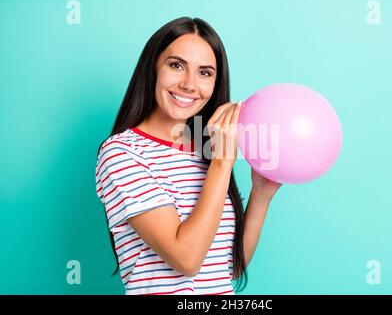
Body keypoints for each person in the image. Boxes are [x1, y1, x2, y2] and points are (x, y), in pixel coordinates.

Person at [95, 17, 281, 295]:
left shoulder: (207, 149)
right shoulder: (121, 153)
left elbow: (228, 267)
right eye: (176, 65)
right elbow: (187, 259)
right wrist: (222, 162)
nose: (189, 84)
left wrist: (261, 195)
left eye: (205, 73)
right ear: (153, 68)